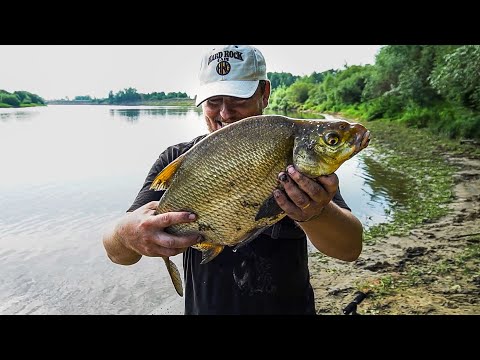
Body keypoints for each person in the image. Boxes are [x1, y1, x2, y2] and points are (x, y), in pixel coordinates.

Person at [102, 45, 364, 315]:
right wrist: (125, 233)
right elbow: (117, 254)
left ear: (264, 93)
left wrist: (316, 213)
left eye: (238, 99)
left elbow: (349, 249)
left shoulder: (301, 159)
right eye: (214, 101)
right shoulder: (176, 158)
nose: (225, 114)